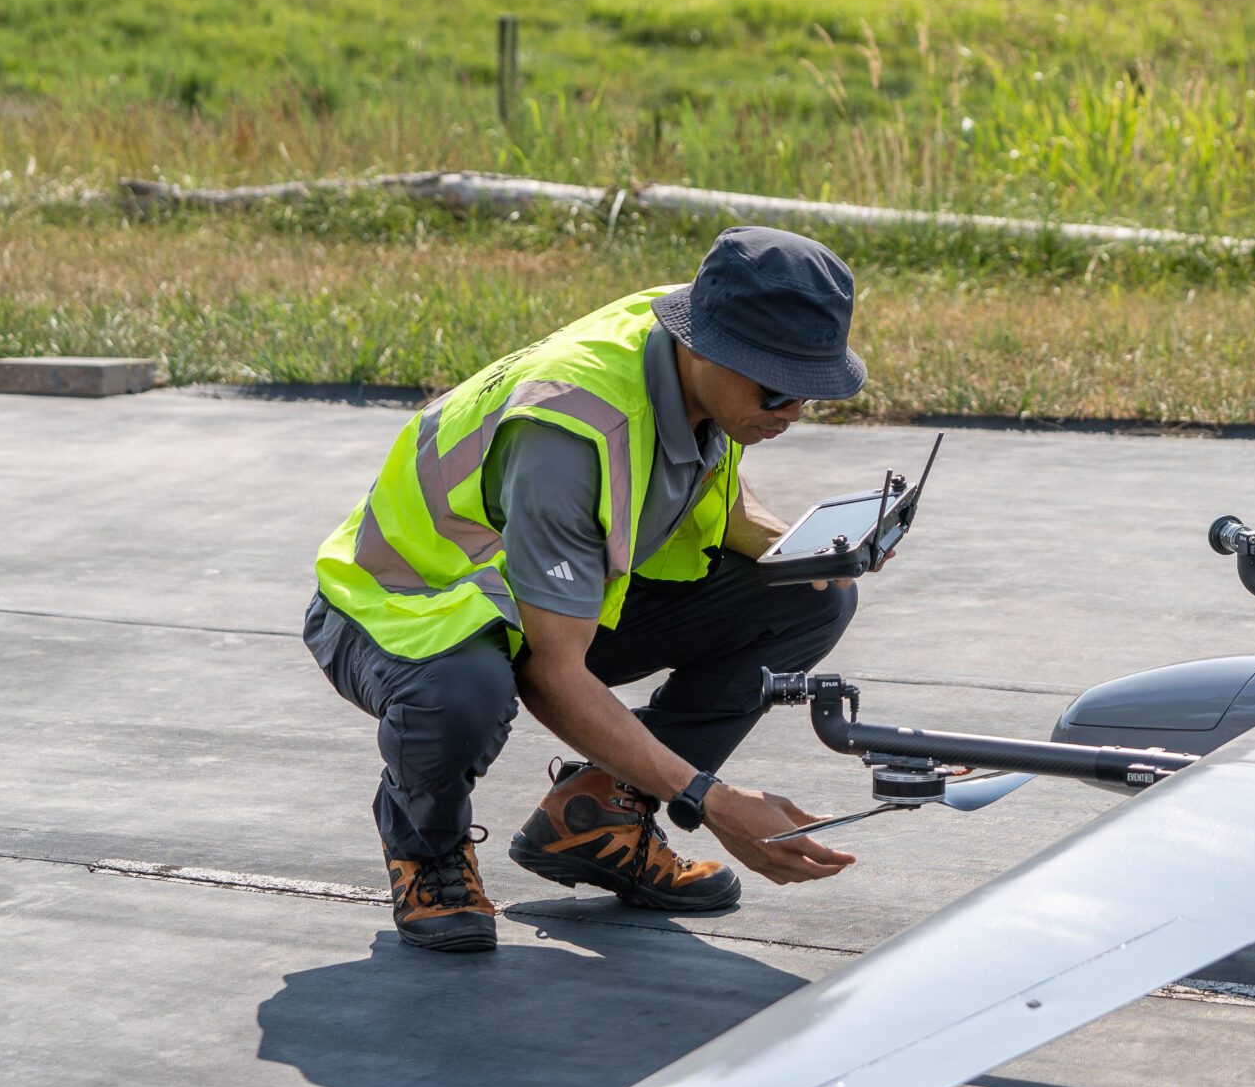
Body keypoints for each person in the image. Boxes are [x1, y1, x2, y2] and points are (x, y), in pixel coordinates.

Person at [304, 226, 868, 952]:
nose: (791, 411)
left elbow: (716, 497)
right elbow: (552, 674)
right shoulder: (569, 432)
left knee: (809, 595)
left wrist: (806, 548)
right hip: (400, 605)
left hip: (529, 598)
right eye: (779, 387)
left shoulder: (688, 348)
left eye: (811, 392)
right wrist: (711, 799)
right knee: (463, 697)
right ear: (705, 345)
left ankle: (601, 814)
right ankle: (426, 844)